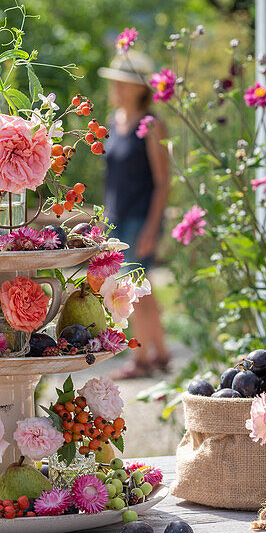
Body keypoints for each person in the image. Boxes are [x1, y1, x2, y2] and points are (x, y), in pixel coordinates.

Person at [97, 51, 170, 378]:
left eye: (124, 83)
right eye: (115, 82)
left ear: (140, 88)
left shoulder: (151, 125)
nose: (117, 88)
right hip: (117, 217)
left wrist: (151, 228)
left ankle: (140, 359)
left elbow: (163, 181)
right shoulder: (114, 121)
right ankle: (162, 353)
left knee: (133, 290)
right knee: (143, 289)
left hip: (142, 217)